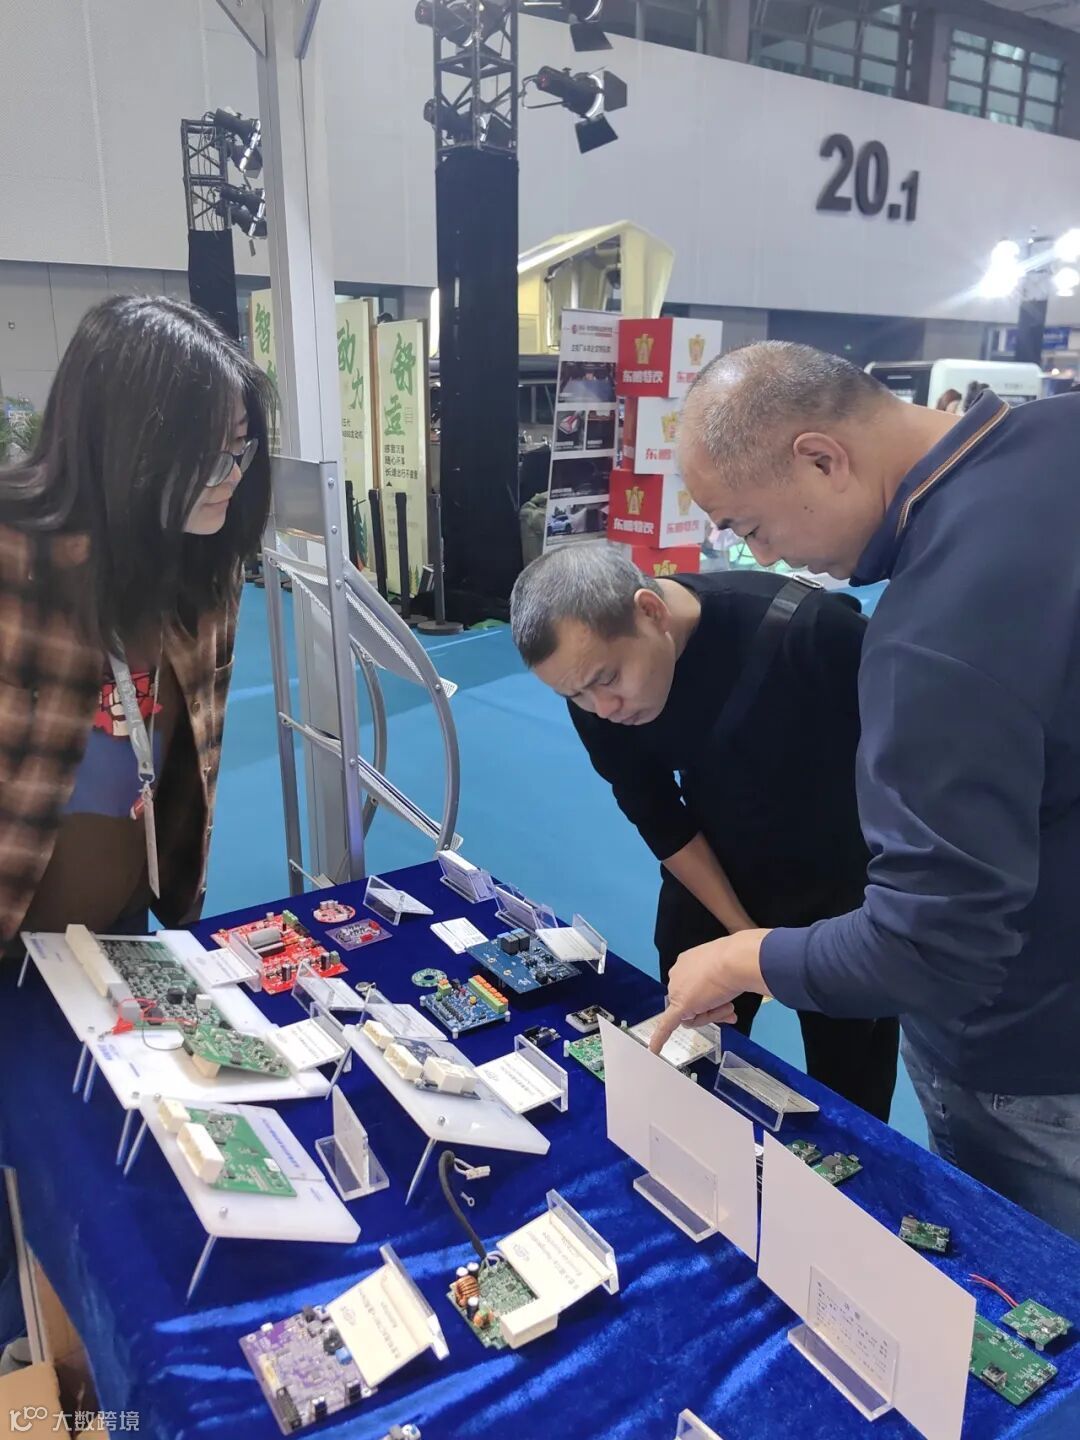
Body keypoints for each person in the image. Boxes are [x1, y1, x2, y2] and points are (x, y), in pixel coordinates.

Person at [660, 339, 1080, 1238]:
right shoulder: (1061, 433)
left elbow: (933, 949)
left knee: (1038, 1290)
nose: (761, 554)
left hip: (1035, 1055)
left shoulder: (929, 638)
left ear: (822, 458)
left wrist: (741, 959)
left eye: (752, 526)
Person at [509, 544, 899, 1120]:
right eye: (576, 695)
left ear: (651, 611)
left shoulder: (809, 632)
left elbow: (915, 776)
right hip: (713, 875)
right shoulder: (592, 692)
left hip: (845, 886)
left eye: (607, 680)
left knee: (851, 1090)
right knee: (690, 1061)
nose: (603, 708)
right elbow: (658, 815)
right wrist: (744, 937)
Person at [0, 294, 271, 945]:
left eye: (240, 446)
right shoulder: (16, 562)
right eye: (207, 453)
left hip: (127, 914)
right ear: (125, 447)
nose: (232, 476)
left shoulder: (206, 564)